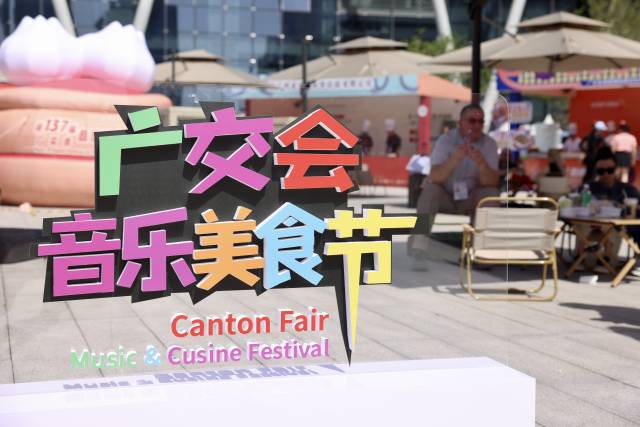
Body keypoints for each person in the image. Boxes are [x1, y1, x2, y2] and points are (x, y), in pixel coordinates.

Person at [408, 104, 500, 270]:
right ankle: (419, 250)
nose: (477, 125)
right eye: (472, 121)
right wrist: (454, 159)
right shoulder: (446, 140)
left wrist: (481, 163)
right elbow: (435, 176)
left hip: (471, 196)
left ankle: (480, 252)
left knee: (491, 194)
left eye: (480, 121)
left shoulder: (489, 144)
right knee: (430, 189)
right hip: (446, 195)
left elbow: (492, 182)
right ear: (461, 122)